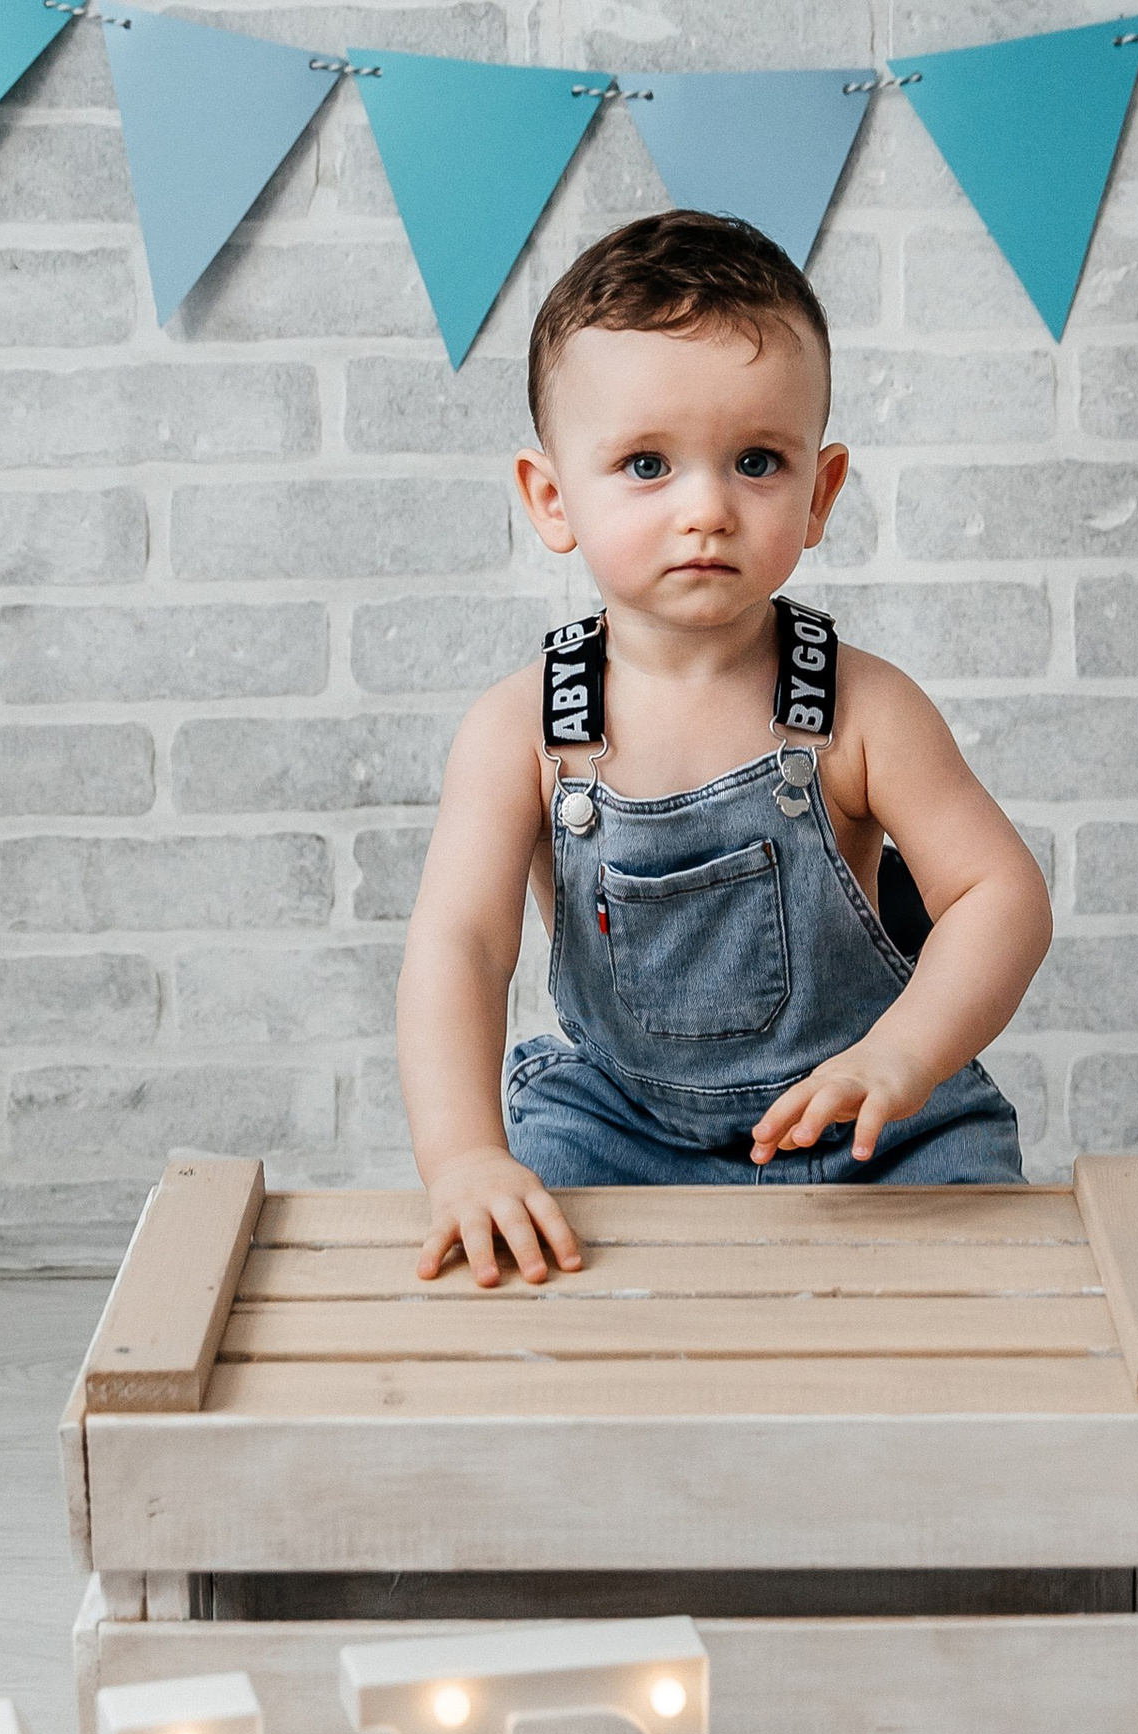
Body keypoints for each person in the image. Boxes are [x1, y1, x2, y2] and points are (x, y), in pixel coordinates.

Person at [397, 209, 1054, 1285]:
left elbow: (1001, 894)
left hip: (864, 1124)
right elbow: (459, 947)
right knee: (518, 1254)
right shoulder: (521, 731)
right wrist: (461, 1152)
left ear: (820, 490)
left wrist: (903, 1054)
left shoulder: (861, 707)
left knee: (987, 1263)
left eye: (756, 460)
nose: (706, 508)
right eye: (647, 464)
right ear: (552, 499)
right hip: (623, 1126)